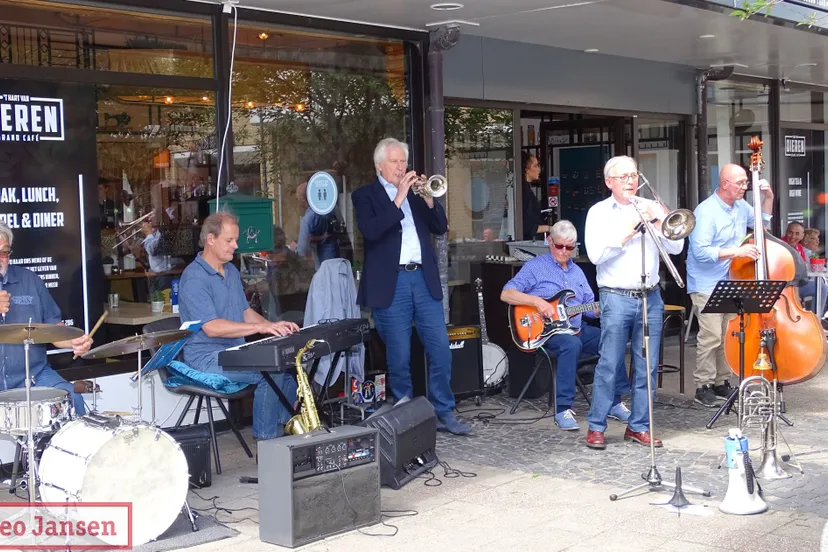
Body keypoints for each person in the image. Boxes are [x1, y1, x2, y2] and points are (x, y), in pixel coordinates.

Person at [352, 137, 470, 435]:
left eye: (403, 161)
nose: (401, 167)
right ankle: (404, 416)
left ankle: (444, 411)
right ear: (380, 166)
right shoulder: (365, 196)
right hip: (392, 284)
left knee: (441, 348)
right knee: (400, 354)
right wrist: (399, 197)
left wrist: (430, 200)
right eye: (395, 162)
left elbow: (440, 227)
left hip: (422, 279)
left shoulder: (418, 194)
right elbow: (371, 231)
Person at [582, 156, 684, 450]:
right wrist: (630, 231)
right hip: (615, 296)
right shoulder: (599, 213)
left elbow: (676, 247)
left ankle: (638, 426)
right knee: (609, 364)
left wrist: (662, 220)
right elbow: (596, 256)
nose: (631, 181)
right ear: (609, 182)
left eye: (634, 175)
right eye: (623, 177)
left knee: (647, 366)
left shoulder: (649, 206)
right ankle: (597, 425)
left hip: (650, 295)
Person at [178, 211, 300, 440]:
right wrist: (260, 329)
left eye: (236, 239)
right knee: (271, 372)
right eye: (229, 240)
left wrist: (274, 326)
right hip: (206, 357)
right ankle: (267, 442)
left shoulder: (231, 271)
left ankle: (288, 434)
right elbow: (212, 327)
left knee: (286, 372)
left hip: (234, 351)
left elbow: (245, 313)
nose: (236, 245)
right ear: (210, 239)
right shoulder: (194, 278)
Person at [500, 220, 631, 430]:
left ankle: (614, 402)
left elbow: (588, 309)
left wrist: (604, 305)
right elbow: (506, 293)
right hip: (546, 331)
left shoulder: (577, 272)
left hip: (576, 327)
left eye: (569, 247)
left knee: (611, 338)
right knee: (571, 345)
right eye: (559, 245)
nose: (563, 251)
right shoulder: (535, 267)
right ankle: (563, 408)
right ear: (549, 241)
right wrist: (538, 302)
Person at [686, 163, 773, 407]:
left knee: (728, 335)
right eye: (741, 183)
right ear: (724, 184)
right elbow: (700, 252)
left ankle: (721, 382)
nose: (745, 187)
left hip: (731, 280)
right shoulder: (706, 212)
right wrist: (738, 251)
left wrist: (768, 197)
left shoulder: (740, 207)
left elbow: (762, 223)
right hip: (705, 282)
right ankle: (702, 385)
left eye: (746, 183)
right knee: (711, 335)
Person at [0, 222, 93, 415]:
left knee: (72, 399)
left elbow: (52, 328)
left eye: (4, 253)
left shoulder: (29, 281)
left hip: (34, 376)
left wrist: (74, 341)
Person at [521, 152, 550, 240]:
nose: (539, 169)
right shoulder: (525, 191)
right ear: (526, 169)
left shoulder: (525, 189)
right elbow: (528, 227)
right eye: (535, 165)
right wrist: (550, 228)